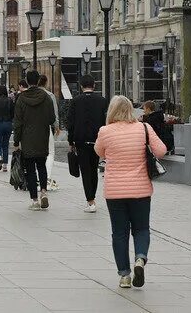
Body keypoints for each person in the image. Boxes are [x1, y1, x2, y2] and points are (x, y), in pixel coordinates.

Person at [94, 95, 167, 289]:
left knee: (119, 233)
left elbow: (99, 152)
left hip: (115, 192)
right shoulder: (143, 128)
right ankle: (140, 259)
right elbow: (161, 151)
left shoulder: (105, 131)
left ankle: (124, 276)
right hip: (140, 190)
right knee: (141, 229)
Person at [13, 70, 56, 210]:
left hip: (27, 138)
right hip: (42, 136)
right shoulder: (46, 97)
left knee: (30, 170)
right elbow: (52, 118)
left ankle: (34, 200)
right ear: (38, 81)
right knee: (42, 166)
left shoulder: (21, 98)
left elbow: (18, 123)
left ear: (27, 80)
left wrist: (16, 141)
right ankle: (43, 191)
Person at [66, 73, 107, 213]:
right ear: (94, 85)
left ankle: (90, 201)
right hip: (97, 140)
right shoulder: (102, 101)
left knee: (85, 171)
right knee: (94, 169)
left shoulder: (75, 101)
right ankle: (93, 197)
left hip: (80, 140)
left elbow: (70, 123)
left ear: (81, 86)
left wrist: (70, 141)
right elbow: (105, 121)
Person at [39, 74, 61, 191]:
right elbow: (54, 112)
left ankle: (38, 178)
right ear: (46, 82)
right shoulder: (50, 95)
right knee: (50, 152)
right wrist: (57, 126)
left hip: (30, 128)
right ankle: (46, 177)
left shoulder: (26, 95)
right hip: (46, 127)